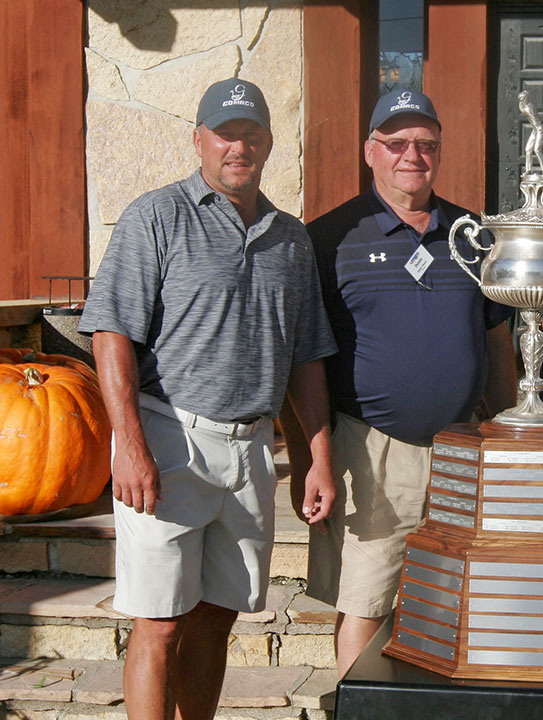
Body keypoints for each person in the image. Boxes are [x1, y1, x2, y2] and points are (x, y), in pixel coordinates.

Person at [79, 78, 337, 720]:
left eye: (251, 135)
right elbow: (111, 333)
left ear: (269, 144)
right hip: (169, 445)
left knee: (218, 617)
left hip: (251, 452)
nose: (237, 146)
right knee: (160, 623)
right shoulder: (156, 216)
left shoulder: (290, 240)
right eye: (225, 133)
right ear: (199, 139)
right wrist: (129, 446)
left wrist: (317, 457)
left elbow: (306, 359)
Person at [283, 88, 518, 678]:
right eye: (396, 143)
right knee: (366, 602)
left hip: (463, 451)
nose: (412, 155)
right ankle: (357, 703)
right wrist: (312, 455)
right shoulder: (331, 238)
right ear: (371, 151)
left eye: (426, 144)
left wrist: (510, 434)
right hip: (371, 451)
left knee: (451, 600)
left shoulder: (473, 236)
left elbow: (497, 342)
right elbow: (304, 360)